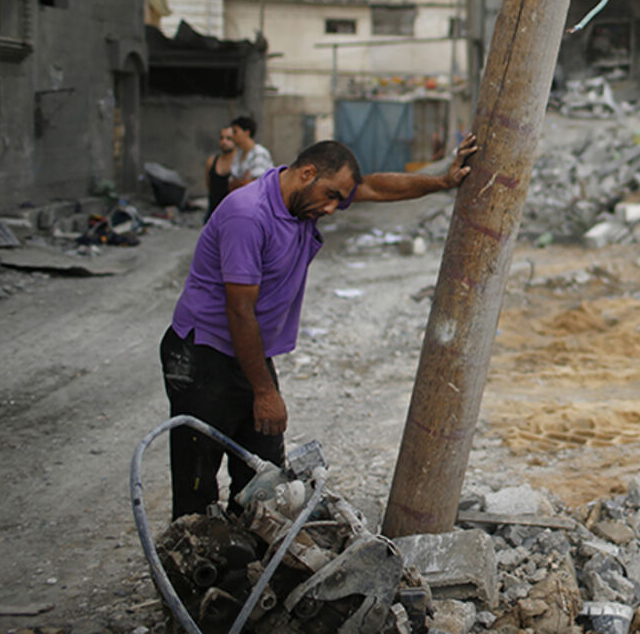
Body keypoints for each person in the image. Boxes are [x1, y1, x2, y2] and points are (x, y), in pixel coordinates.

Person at [159, 134, 478, 519]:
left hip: (247, 352)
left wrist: (442, 182)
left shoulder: (306, 201)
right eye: (329, 196)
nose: (332, 208)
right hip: (201, 355)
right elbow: (239, 312)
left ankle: (246, 569)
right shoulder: (248, 215)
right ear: (307, 173)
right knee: (198, 481)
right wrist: (264, 390)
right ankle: (188, 571)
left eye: (339, 200)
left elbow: (375, 186)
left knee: (263, 480)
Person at [227, 115, 274, 191]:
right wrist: (243, 182)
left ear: (246, 132)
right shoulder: (238, 154)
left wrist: (241, 183)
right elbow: (230, 185)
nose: (232, 136)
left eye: (235, 132)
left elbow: (255, 185)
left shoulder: (259, 153)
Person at [203, 126, 237, 222]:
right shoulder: (211, 161)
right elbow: (210, 185)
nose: (224, 142)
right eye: (221, 138)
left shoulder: (239, 163)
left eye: (229, 138)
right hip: (213, 213)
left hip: (233, 214)